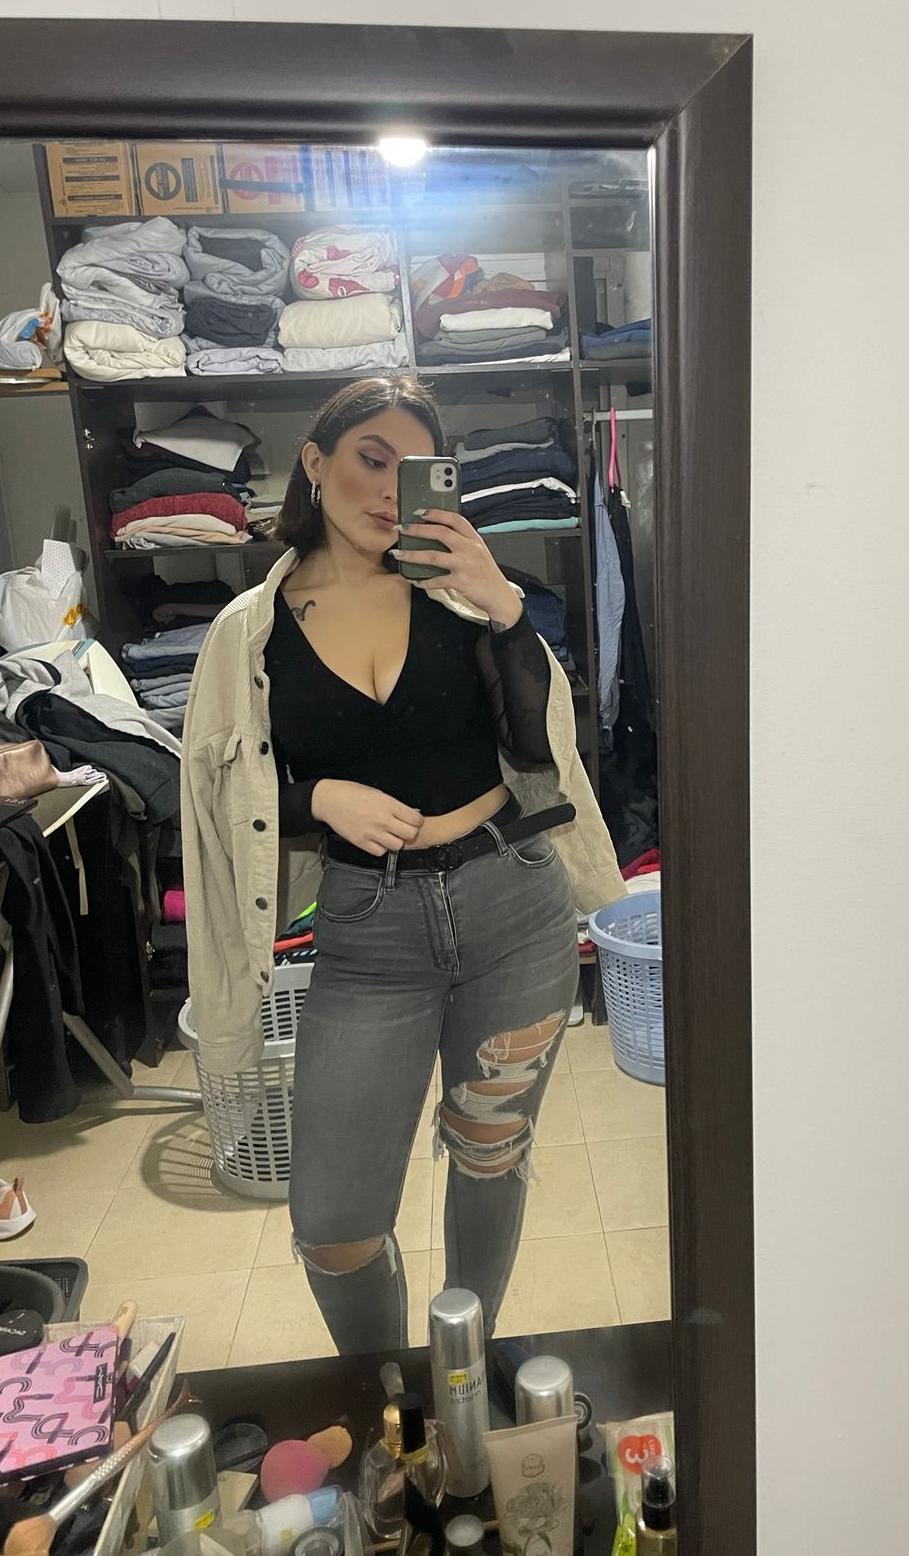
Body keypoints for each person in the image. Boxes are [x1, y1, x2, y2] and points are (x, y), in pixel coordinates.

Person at [181, 375, 624, 1353]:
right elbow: (225, 804)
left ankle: (463, 1367)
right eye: (369, 459)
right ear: (315, 462)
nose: (389, 489)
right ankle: (383, 1395)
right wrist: (317, 799)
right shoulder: (249, 632)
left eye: (413, 468)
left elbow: (538, 747)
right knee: (333, 1219)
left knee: (489, 1158)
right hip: (367, 932)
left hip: (515, 910)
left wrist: (505, 608)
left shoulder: (458, 595)